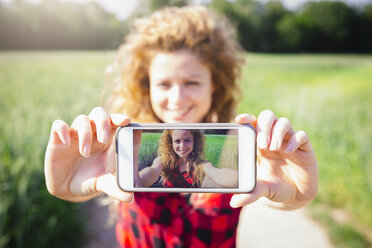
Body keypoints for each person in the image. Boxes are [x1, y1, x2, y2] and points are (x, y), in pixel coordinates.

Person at [44, 5, 318, 247]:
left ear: (215, 86)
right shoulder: (125, 147)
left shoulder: (231, 151)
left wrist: (296, 194)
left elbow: (275, 194)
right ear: (147, 86)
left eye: (192, 83)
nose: (176, 99)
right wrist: (66, 186)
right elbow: (128, 180)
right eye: (164, 84)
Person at [136, 129, 238, 188]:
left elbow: (218, 174)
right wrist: (135, 180)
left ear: (195, 141)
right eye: (177, 141)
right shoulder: (163, 161)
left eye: (187, 140)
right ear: (171, 143)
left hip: (192, 209)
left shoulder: (201, 165)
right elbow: (152, 172)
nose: (182, 146)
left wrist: (241, 179)